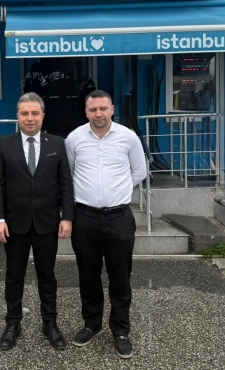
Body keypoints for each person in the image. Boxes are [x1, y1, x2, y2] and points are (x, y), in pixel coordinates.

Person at [64, 90, 147, 359]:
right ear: (86, 112)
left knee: (120, 277)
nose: (98, 114)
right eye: (93, 109)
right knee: (88, 275)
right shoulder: (74, 138)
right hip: (84, 217)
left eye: (103, 108)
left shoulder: (128, 137)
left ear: (112, 109)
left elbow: (139, 171)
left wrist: (118, 190)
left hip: (118, 218)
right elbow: (69, 174)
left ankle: (120, 331)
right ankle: (92, 324)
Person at [0, 92, 75, 351]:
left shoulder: (57, 144)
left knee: (47, 276)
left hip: (47, 222)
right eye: (25, 113)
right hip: (14, 224)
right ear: (17, 116)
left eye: (35, 113)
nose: (30, 118)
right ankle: (12, 323)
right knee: (14, 276)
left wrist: (67, 216)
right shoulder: (4, 144)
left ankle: (50, 323)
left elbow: (65, 183)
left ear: (42, 116)